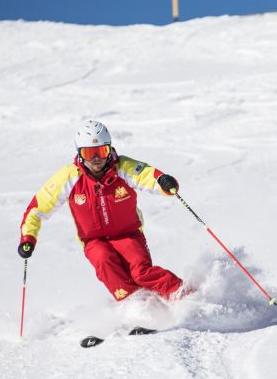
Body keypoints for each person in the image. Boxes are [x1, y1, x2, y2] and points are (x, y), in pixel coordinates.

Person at [18, 120, 185, 302]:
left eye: (102, 151)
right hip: (94, 240)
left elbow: (146, 175)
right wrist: (28, 238)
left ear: (109, 149)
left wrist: (163, 182)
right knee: (105, 262)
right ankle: (138, 307)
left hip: (128, 235)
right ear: (80, 154)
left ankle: (184, 295)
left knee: (141, 273)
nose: (96, 158)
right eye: (89, 153)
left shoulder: (122, 167)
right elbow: (37, 208)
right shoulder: (69, 177)